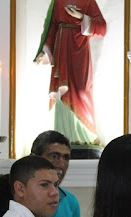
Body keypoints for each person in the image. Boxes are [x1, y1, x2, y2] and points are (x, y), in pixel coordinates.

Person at [35, 0, 107, 146]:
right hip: (61, 48)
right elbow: (52, 28)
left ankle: (86, 136)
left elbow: (102, 27)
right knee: (62, 91)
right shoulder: (58, 2)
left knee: (81, 89)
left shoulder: (88, 1)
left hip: (79, 49)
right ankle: (63, 136)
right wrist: (45, 51)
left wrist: (81, 17)